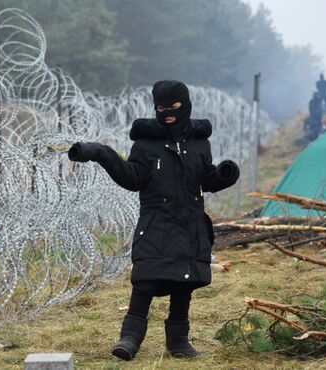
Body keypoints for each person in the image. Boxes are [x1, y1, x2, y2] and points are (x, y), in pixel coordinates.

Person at [67, 80, 239, 360]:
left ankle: (179, 342)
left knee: (184, 283)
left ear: (186, 105)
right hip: (156, 221)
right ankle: (130, 338)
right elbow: (131, 178)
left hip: (190, 223)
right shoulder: (146, 144)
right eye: (161, 107)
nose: (167, 113)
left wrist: (224, 174)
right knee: (145, 280)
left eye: (173, 107)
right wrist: (100, 153)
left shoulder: (199, 143)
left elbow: (205, 179)